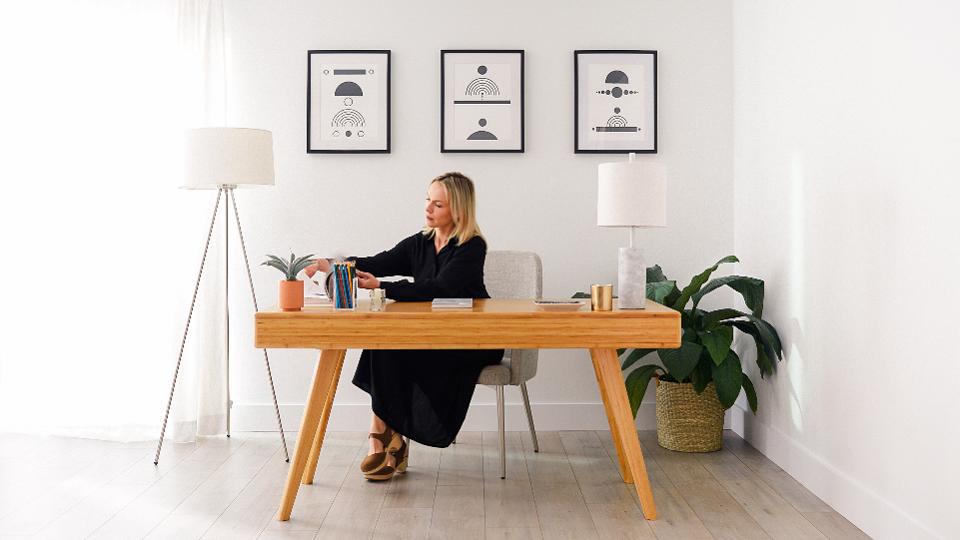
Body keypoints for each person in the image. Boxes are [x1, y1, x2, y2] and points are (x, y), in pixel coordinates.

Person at [304, 172, 502, 481]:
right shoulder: (420, 242)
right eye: (428, 200)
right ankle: (383, 436)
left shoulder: (471, 246)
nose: (428, 208)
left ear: (459, 209)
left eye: (438, 204)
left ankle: (384, 440)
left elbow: (439, 287)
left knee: (389, 349)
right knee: (382, 343)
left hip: (471, 340)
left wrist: (381, 287)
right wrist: (331, 263)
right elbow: (376, 262)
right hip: (434, 335)